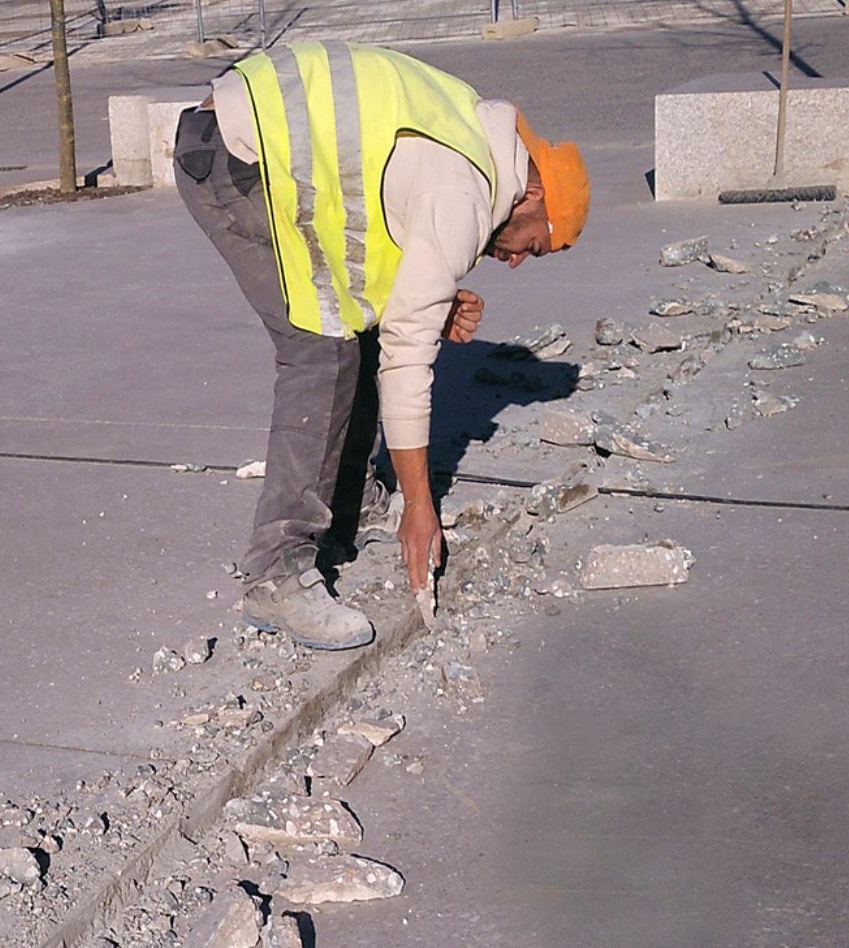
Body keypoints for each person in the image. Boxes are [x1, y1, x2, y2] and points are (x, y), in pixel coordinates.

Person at [175, 40, 589, 650]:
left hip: (248, 134)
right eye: (530, 246)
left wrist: (431, 295)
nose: (517, 262)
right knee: (320, 345)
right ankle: (275, 572)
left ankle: (348, 502)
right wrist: (421, 503)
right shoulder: (467, 193)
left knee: (354, 320)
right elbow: (407, 357)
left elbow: (387, 222)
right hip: (237, 157)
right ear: (531, 198)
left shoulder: (477, 137)